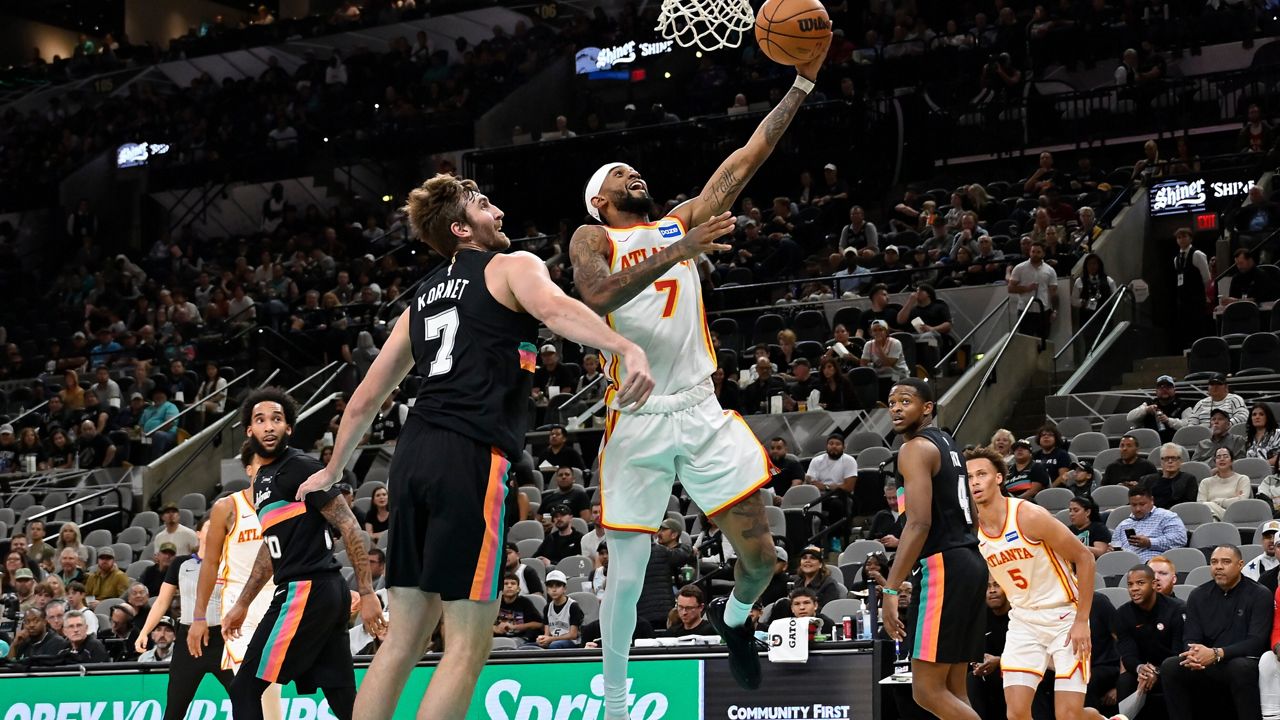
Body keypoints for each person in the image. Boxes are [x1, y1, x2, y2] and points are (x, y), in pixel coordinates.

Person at [293, 173, 654, 720]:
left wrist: (333, 470)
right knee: (466, 645)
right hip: (470, 456)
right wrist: (624, 346)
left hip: (412, 457)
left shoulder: (420, 298)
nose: (499, 212)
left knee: (404, 638)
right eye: (484, 205)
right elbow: (557, 310)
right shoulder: (511, 266)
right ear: (461, 229)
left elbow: (366, 397)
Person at [568, 36, 829, 708]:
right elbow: (595, 294)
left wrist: (801, 84)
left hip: (698, 408)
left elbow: (746, 158)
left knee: (763, 559)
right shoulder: (594, 237)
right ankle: (617, 700)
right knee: (627, 577)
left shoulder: (677, 222)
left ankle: (734, 619)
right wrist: (683, 246)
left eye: (633, 170)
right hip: (637, 418)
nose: (632, 175)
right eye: (618, 173)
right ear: (599, 199)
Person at [221, 389, 384, 720]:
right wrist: (242, 603)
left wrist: (367, 593)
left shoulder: (302, 467)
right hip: (320, 592)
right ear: (249, 430)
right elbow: (271, 547)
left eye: (277, 419)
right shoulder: (263, 479)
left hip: (307, 589)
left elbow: (350, 526)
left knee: (244, 688)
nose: (269, 426)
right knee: (343, 700)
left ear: (289, 428)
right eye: (260, 420)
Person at [966, 446, 1116, 720]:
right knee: (1016, 714)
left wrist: (1082, 621)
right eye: (969, 477)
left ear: (998, 478)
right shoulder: (972, 529)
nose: (975, 481)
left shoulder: (1028, 516)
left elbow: (1085, 558)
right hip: (1023, 620)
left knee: (1069, 716)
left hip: (1064, 617)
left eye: (982, 474)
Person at [881, 379, 987, 720]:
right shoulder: (948, 445)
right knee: (954, 690)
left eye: (905, 401)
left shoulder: (914, 449)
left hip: (944, 566)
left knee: (926, 691)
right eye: (892, 402)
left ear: (927, 408)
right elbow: (974, 515)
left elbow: (918, 524)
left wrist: (890, 589)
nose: (896, 408)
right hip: (969, 561)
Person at [189, 443, 281, 720]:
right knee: (252, 679)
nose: (269, 470)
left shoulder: (286, 505)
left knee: (271, 684)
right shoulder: (228, 507)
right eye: (262, 464)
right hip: (240, 605)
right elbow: (210, 564)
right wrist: (199, 616)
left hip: (280, 599)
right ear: (249, 469)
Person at [1160, 545, 1271, 720]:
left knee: (1240, 667)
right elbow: (1190, 637)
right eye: (1214, 562)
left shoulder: (1260, 594)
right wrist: (1194, 655)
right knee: (1170, 666)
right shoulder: (1198, 595)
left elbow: (1256, 642)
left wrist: (1217, 653)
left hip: (1240, 661)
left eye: (1225, 562)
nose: (1218, 567)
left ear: (1240, 565)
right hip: (1207, 662)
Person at [143, 521, 236, 719]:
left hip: (222, 641)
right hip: (188, 642)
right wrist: (144, 632)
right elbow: (162, 601)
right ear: (198, 534)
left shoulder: (232, 563)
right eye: (209, 527)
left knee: (243, 699)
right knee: (175, 708)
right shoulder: (180, 563)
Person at [1113, 564, 1185, 719]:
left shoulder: (1176, 609)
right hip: (1142, 671)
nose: (1134, 589)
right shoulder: (1122, 614)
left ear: (1153, 584)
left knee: (1175, 676)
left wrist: (1158, 671)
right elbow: (1128, 654)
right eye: (1130, 584)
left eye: (1140, 583)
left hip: (1171, 668)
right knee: (1125, 681)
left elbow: (1179, 651)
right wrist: (1140, 669)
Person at [1112, 487, 1188, 561]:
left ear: (1152, 500)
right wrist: (1112, 550)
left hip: (1153, 562)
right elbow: (1115, 545)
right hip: (1125, 562)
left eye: (1142, 504)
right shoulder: (1123, 525)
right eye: (1134, 505)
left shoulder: (1167, 517)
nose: (1138, 509)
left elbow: (1180, 540)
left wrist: (1149, 542)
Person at [1169, 228, 1212, 353]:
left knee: (1198, 325)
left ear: (1190, 238)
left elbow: (1206, 277)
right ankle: (1190, 350)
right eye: (1179, 237)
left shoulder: (1197, 254)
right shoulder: (1177, 259)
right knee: (1185, 326)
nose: (1181, 240)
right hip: (1183, 299)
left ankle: (1203, 350)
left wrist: (1202, 294)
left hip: (1196, 297)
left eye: (1184, 236)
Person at [1008, 241, 1058, 339]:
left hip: (1043, 311)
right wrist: (1026, 288)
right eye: (1033, 251)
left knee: (1044, 341)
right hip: (1025, 310)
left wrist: (1055, 310)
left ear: (1043, 254)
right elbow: (1010, 288)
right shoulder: (1020, 268)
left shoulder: (1050, 270)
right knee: (1025, 341)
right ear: (1029, 252)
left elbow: (1053, 292)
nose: (1035, 254)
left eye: (1038, 252)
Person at [1127, 375, 1191, 443]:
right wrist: (1146, 410)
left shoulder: (1183, 405)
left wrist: (1168, 421)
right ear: (1156, 391)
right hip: (1150, 443)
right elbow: (1129, 418)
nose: (1164, 390)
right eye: (1161, 387)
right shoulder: (1149, 404)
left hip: (1175, 443)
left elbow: (1189, 426)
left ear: (1174, 390)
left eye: (1168, 387)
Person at [1171, 374, 1248, 429]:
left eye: (1219, 384)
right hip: (1203, 437)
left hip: (1228, 435)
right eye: (1212, 384)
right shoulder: (1201, 403)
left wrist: (1223, 426)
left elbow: (1243, 417)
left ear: (1226, 387)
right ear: (1208, 388)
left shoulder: (1235, 399)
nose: (1215, 387)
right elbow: (1191, 424)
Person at [1196, 447, 1251, 520]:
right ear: (1215, 462)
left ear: (1231, 461)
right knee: (1210, 513)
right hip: (1210, 517)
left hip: (1235, 516)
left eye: (1225, 456)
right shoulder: (1205, 482)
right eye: (1218, 457)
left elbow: (1241, 501)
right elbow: (1201, 505)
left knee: (1208, 505)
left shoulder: (1242, 479)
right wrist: (1232, 500)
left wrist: (1218, 502)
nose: (1222, 459)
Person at [1139, 443, 1198, 510]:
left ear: (1180, 461)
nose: (1170, 461)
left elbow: (1188, 506)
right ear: (1161, 462)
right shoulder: (1147, 480)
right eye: (1166, 458)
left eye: (1173, 458)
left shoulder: (1188, 480)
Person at [535, 570, 583, 649]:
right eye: (550, 586)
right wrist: (542, 640)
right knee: (527, 647)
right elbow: (547, 634)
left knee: (554, 645)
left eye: (558, 586)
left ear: (565, 588)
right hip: (552, 641)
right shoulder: (547, 608)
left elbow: (573, 635)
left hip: (571, 642)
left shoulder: (573, 606)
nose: (554, 590)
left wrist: (550, 639)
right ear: (547, 589)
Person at [494, 573, 543, 646]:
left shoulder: (525, 602)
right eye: (505, 584)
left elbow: (539, 624)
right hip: (498, 638)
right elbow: (482, 624)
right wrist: (495, 628)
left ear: (518, 589)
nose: (509, 586)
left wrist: (515, 627)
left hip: (521, 638)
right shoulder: (494, 603)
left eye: (513, 583)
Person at [1245, 403, 1280, 473]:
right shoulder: (1248, 438)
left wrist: (1260, 466)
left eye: (1261, 414)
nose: (1257, 417)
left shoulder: (1277, 433)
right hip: (1252, 473)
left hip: (1272, 472)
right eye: (1254, 414)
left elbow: (1278, 458)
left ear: (1267, 417)